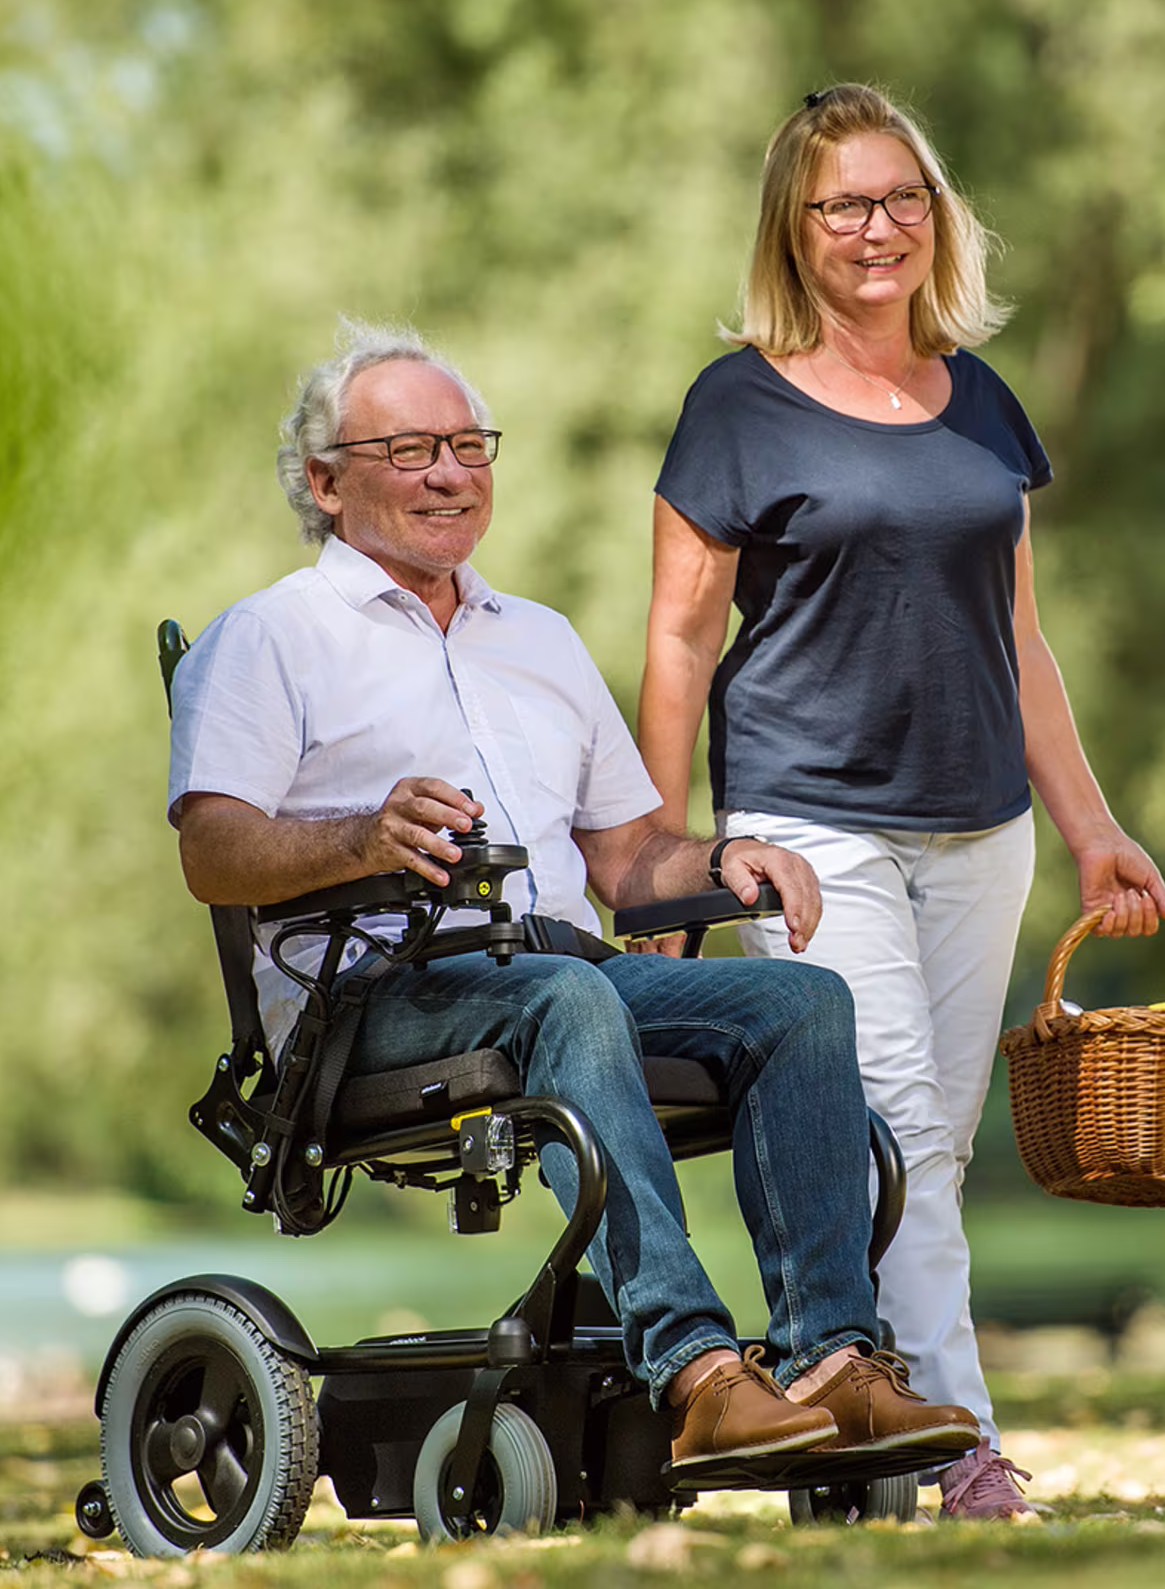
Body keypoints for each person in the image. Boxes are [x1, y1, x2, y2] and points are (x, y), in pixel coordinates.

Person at [165, 317, 983, 1480]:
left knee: (796, 1000)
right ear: (326, 482)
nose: (449, 470)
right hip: (376, 999)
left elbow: (627, 858)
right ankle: (699, 1371)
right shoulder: (271, 637)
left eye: (466, 443)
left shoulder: (536, 641)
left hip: (559, 968)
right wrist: (362, 833)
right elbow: (213, 852)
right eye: (408, 450)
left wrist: (723, 860)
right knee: (564, 1000)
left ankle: (831, 1367)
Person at [638, 84, 1165, 1516]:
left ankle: (853, 1424)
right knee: (889, 1127)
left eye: (900, 199)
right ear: (794, 230)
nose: (876, 229)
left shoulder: (979, 400)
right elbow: (681, 643)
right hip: (809, 824)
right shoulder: (736, 405)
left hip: (980, 821)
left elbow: (1021, 638)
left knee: (926, 1143)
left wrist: (1091, 826)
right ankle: (960, 1448)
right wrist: (657, 862)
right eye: (842, 206)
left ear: (935, 216)